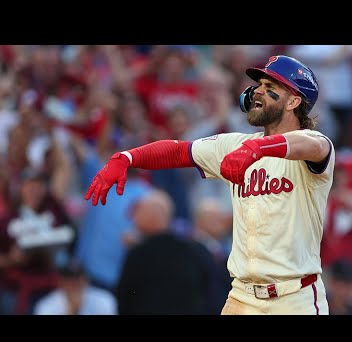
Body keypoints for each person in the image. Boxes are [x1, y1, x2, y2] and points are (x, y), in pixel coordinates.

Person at [85, 55, 335, 315]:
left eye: (271, 88)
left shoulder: (312, 143)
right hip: (243, 296)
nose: (258, 90)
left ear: (293, 102)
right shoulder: (235, 145)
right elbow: (178, 151)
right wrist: (128, 157)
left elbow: (314, 146)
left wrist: (256, 148)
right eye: (259, 84)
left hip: (294, 298)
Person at [116, 189, 223, 314]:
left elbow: (123, 301)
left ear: (151, 216)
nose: (134, 217)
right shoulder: (194, 252)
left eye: (138, 211)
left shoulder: (138, 255)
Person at [33, 257, 117, 315]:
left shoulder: (104, 301)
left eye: (77, 280)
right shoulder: (46, 307)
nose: (74, 285)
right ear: (61, 283)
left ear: (86, 280)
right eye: (69, 281)